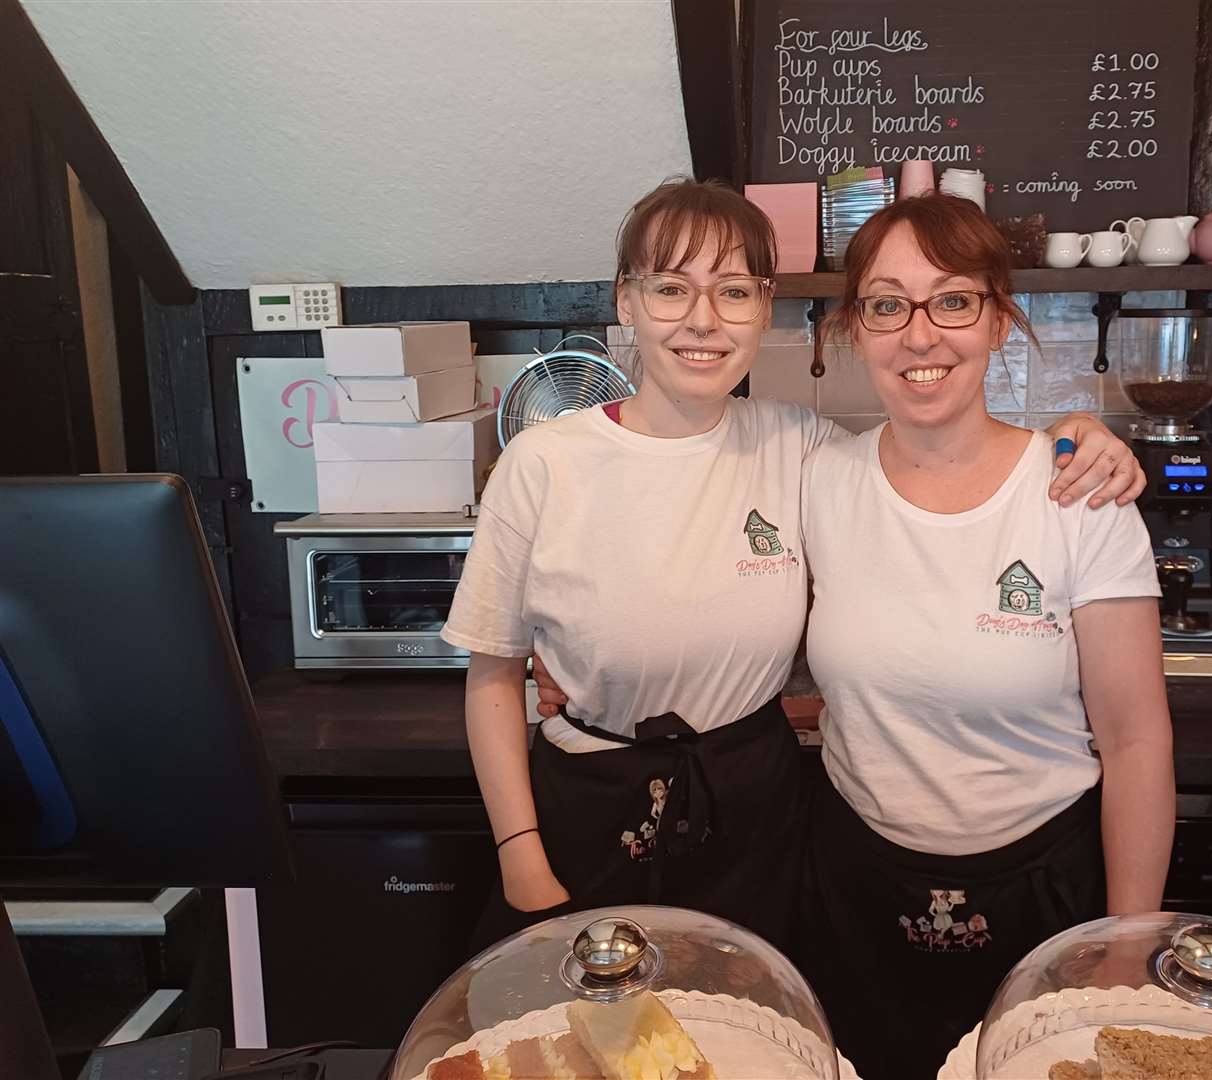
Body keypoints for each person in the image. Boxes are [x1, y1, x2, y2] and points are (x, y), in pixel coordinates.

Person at [442, 178, 1146, 953]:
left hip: (760, 820)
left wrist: (1082, 433)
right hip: (589, 806)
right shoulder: (544, 461)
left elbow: (932, 498)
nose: (703, 320)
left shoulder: (798, 447)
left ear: (764, 305)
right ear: (627, 300)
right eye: (672, 288)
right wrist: (521, 855)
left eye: (734, 290)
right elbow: (494, 673)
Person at [797, 194, 1175, 1078]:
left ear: (999, 319)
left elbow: (1136, 738)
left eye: (953, 300)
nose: (920, 334)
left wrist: (1127, 946)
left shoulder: (1079, 495)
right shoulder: (819, 481)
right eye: (888, 304)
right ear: (857, 329)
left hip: (1043, 890)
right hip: (854, 884)